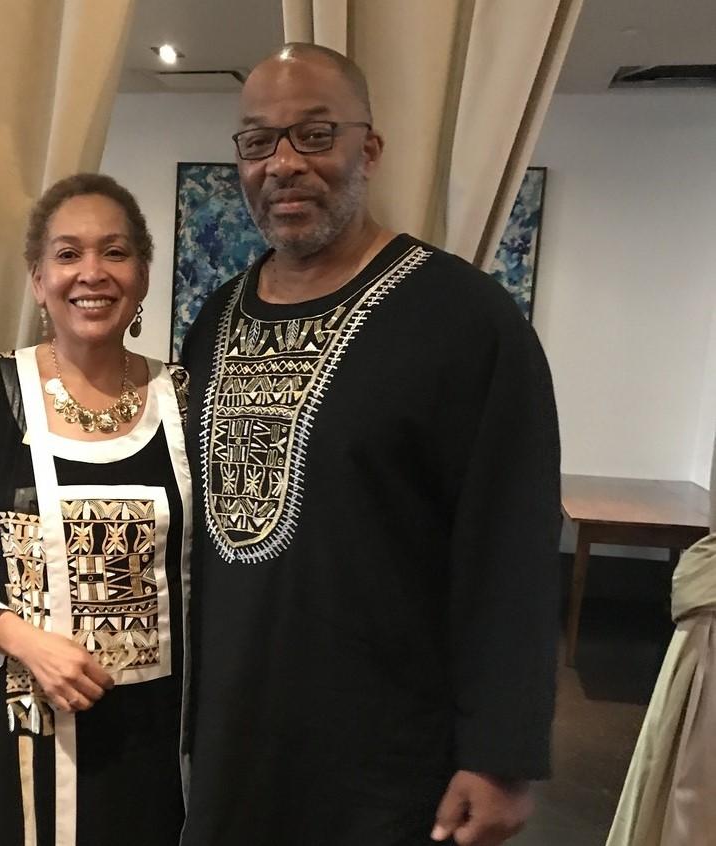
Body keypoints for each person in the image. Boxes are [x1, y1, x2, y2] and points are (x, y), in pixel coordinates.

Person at [178, 44, 562, 846]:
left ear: (369, 149)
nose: (284, 163)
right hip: (233, 743)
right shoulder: (215, 321)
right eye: (258, 142)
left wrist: (501, 755)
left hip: (389, 760)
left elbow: (510, 544)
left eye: (314, 135)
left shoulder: (464, 321)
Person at [0, 173, 191, 846]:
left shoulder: (182, 398)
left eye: (114, 252)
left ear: (142, 274)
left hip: (156, 737)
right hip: (17, 731)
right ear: (38, 279)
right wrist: (21, 639)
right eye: (67, 254)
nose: (92, 273)